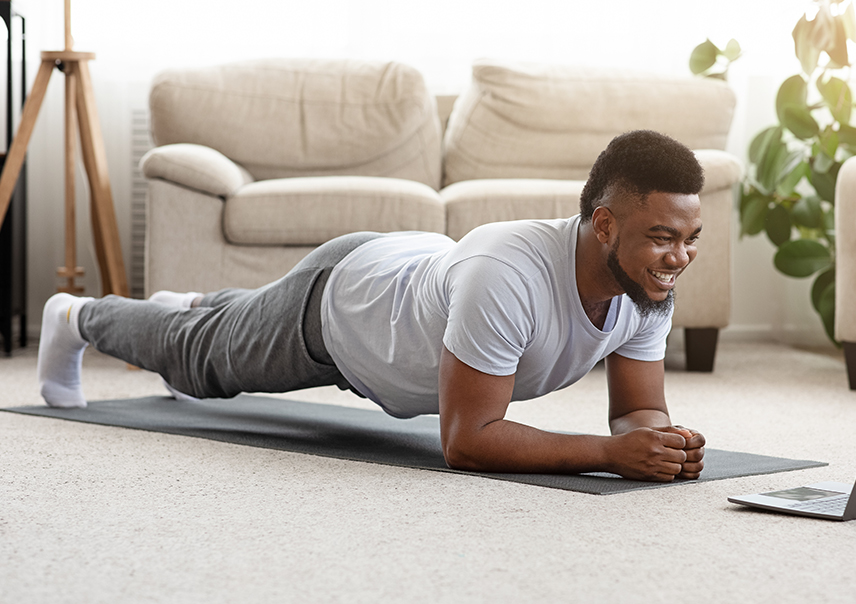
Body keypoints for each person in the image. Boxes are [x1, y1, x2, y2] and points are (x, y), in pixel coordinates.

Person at [38, 129, 707, 483]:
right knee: (197, 364)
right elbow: (467, 440)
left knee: (217, 327)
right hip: (341, 309)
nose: (678, 256)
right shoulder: (508, 273)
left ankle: (197, 305)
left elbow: (635, 409)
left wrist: (659, 440)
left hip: (407, 281)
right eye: (662, 237)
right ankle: (76, 316)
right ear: (603, 225)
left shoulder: (645, 285)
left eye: (690, 240)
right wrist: (610, 454)